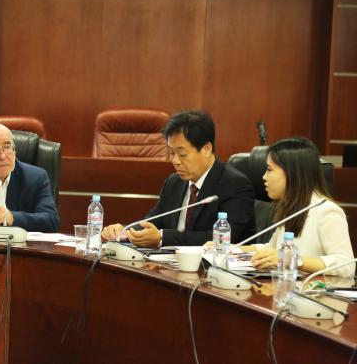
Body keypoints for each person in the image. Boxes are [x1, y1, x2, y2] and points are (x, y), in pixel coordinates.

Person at [101, 111, 255, 247]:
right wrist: (125, 232)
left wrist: (163, 237)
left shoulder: (234, 184)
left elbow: (223, 239)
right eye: (171, 153)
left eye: (182, 154)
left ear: (206, 149)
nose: (175, 161)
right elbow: (153, 221)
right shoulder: (173, 182)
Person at [245, 137, 354, 277]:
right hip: (284, 286)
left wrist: (294, 260)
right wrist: (230, 249)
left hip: (313, 290)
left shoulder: (327, 211)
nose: (264, 177)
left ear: (292, 173)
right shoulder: (291, 207)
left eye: (269, 170)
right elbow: (271, 250)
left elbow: (346, 265)